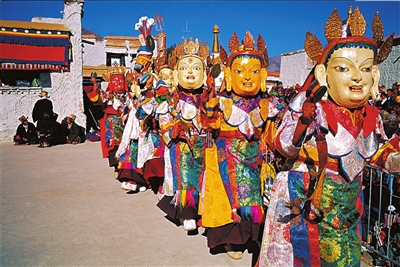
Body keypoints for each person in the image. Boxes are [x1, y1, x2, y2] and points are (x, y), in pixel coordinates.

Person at [257, 7, 395, 266]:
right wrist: (303, 123)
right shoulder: (309, 103)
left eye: (365, 69)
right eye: (344, 68)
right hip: (306, 195)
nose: (357, 77)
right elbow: (284, 146)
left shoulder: (371, 114)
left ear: (375, 75)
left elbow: (377, 153)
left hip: (348, 203)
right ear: (323, 74)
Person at [199, 31, 278, 261]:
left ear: (262, 75)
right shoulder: (223, 102)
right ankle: (231, 240)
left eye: (254, 72)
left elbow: (271, 134)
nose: (247, 77)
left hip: (256, 159)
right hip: (228, 156)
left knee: (255, 198)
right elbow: (209, 126)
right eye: (240, 71)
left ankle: (252, 237)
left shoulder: (265, 104)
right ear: (229, 75)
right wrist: (211, 109)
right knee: (231, 199)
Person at [156, 37, 209, 231]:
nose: (190, 72)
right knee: (186, 178)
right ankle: (188, 213)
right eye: (185, 68)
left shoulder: (210, 98)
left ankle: (205, 211)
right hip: (182, 148)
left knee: (205, 177)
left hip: (206, 146)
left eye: (196, 68)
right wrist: (173, 130)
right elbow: (163, 124)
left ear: (204, 74)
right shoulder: (171, 101)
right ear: (176, 74)